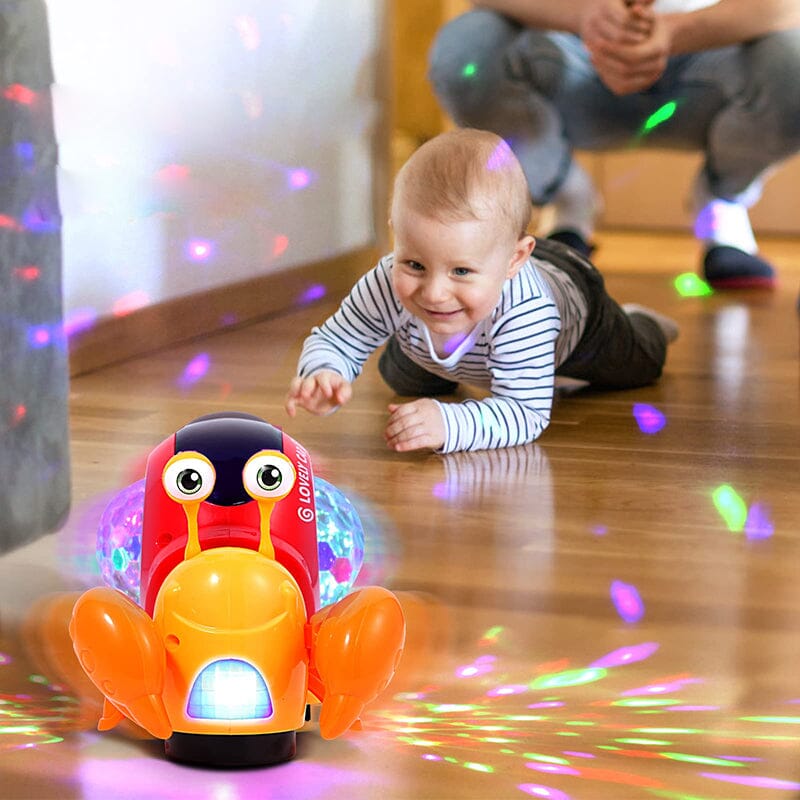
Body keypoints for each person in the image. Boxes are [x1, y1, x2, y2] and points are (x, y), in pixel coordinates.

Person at [285, 129, 678, 454]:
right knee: (403, 378)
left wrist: (450, 422)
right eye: (415, 264)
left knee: (640, 363)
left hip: (578, 312)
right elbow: (338, 336)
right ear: (396, 235)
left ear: (513, 259)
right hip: (445, 343)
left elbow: (526, 413)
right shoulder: (388, 280)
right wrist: (324, 371)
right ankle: (424, 348)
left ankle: (642, 322)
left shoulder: (526, 312)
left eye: (461, 271)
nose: (434, 292)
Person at [428, 0, 800, 289]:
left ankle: (723, 204)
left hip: (711, 58)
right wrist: (584, 15)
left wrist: (675, 32)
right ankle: (568, 199)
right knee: (464, 52)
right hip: (568, 57)